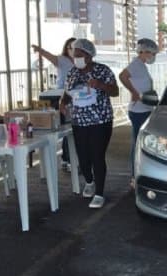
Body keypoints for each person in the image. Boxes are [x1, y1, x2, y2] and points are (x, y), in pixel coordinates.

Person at [59, 38, 119, 209]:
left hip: (101, 120)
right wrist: (62, 103)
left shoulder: (103, 70)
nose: (76, 57)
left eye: (80, 55)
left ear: (89, 55)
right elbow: (68, 92)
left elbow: (115, 91)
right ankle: (90, 181)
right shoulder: (72, 73)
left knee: (97, 156)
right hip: (79, 121)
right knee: (83, 157)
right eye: (74, 54)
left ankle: (99, 193)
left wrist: (100, 85)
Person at [119, 38, 158, 188]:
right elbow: (122, 76)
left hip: (145, 108)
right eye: (153, 53)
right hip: (138, 110)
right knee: (137, 143)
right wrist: (134, 92)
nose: (153, 57)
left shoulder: (141, 66)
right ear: (145, 52)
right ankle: (135, 176)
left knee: (140, 141)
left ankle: (139, 174)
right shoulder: (136, 64)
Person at [32, 38, 76, 172]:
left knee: (72, 129)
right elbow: (51, 58)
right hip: (62, 97)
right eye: (70, 47)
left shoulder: (82, 62)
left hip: (76, 98)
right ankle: (66, 159)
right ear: (66, 48)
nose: (72, 50)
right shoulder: (62, 60)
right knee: (65, 128)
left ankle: (71, 159)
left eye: (75, 47)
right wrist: (40, 50)